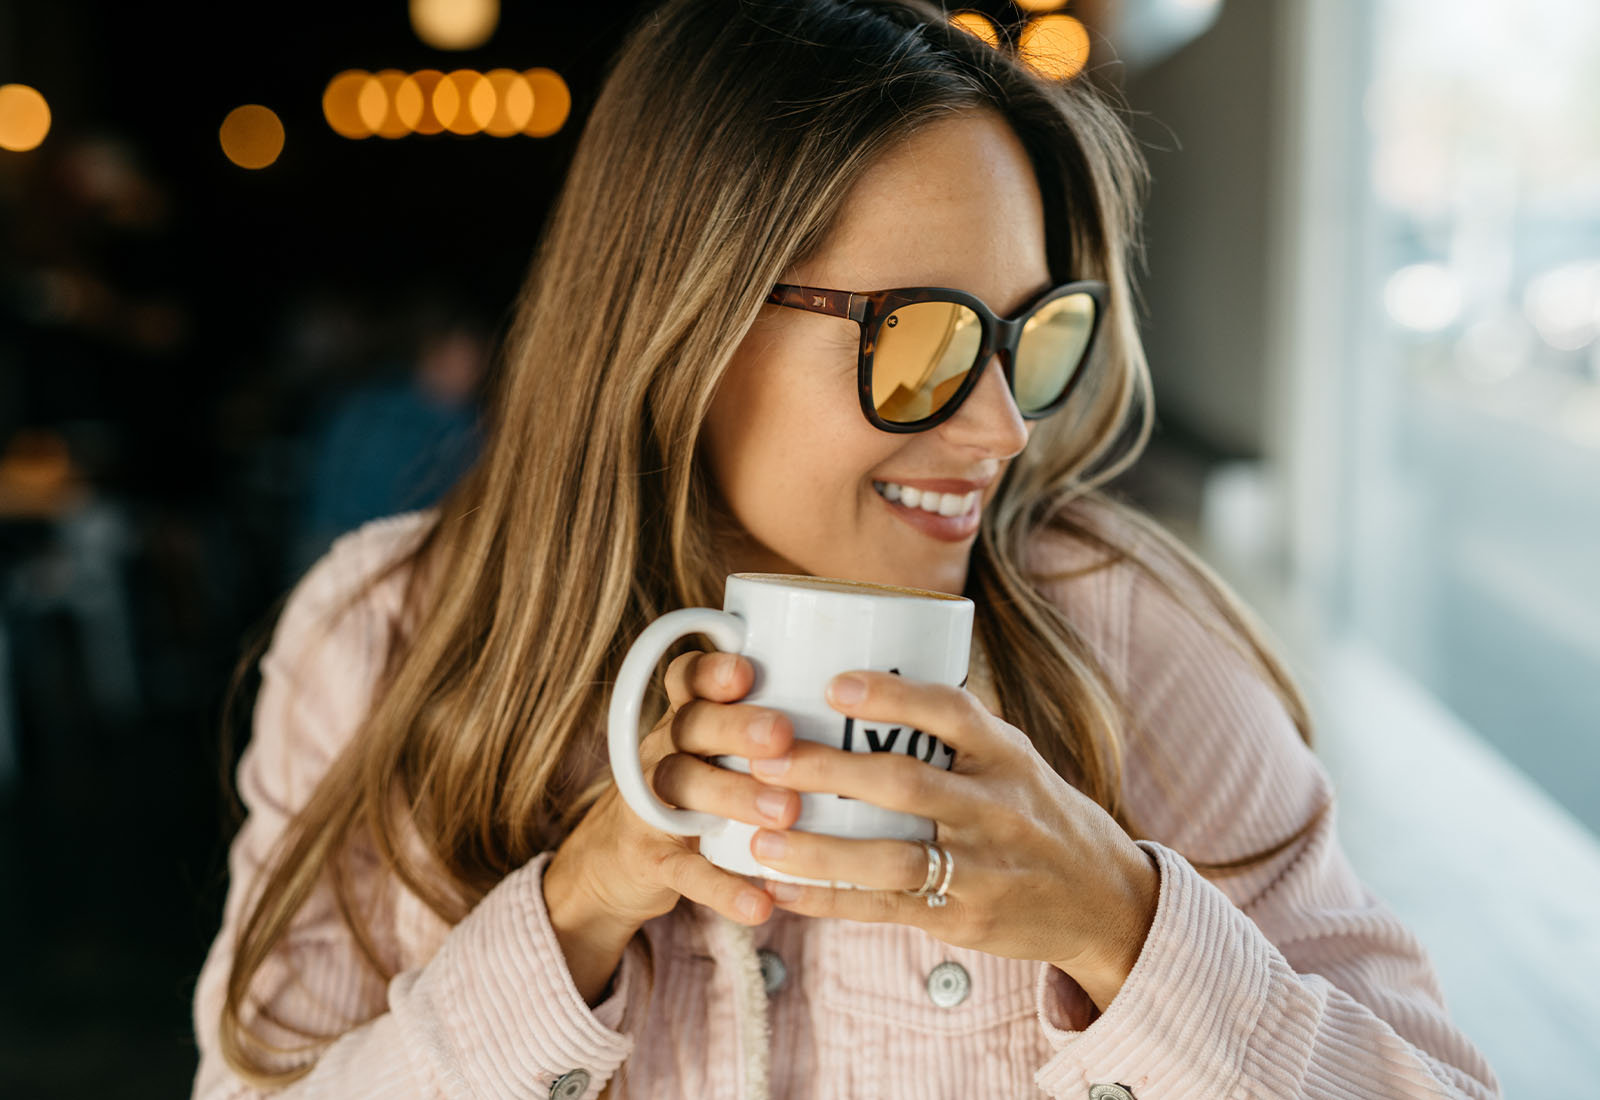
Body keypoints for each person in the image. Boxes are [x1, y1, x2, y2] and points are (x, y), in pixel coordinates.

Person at [190, 0, 1504, 1096]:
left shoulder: (1122, 633)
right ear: (684, 322)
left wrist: (1124, 929)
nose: (1000, 430)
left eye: (1030, 338)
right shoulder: (379, 637)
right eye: (922, 340)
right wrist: (572, 914)